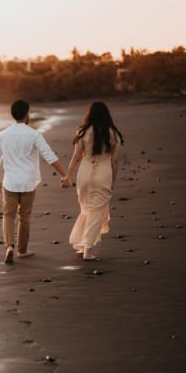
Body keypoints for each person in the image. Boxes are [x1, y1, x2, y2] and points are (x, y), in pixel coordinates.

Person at [0, 99, 68, 264]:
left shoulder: (3, 135)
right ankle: (22, 250)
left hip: (10, 182)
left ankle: (9, 246)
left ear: (13, 115)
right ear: (27, 115)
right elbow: (49, 156)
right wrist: (64, 175)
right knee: (25, 217)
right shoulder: (34, 134)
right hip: (28, 182)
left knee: (8, 216)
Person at [62, 102, 124, 260]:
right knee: (97, 211)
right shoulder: (114, 134)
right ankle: (87, 249)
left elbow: (76, 157)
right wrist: (113, 181)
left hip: (84, 172)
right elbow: (115, 161)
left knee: (87, 208)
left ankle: (83, 244)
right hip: (103, 173)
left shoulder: (83, 132)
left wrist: (68, 175)